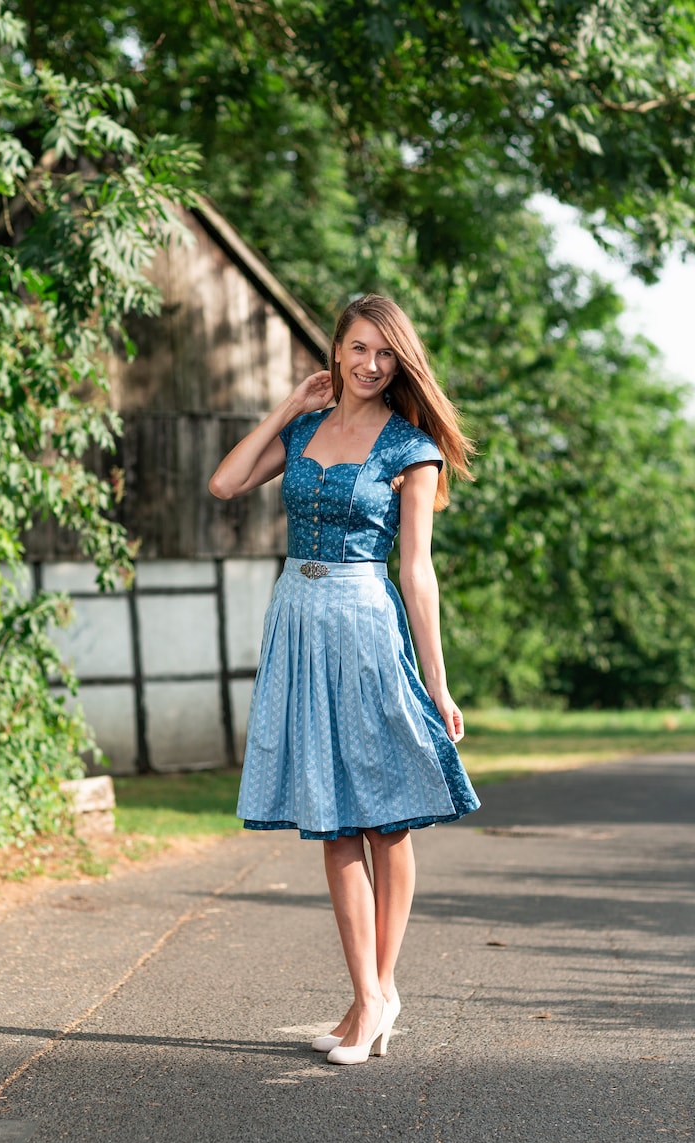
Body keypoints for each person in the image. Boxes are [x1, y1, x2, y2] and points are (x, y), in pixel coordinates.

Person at [209, 293, 480, 1065]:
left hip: (364, 622)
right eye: (358, 348)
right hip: (298, 617)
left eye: (385, 354)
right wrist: (287, 404)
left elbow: (417, 572)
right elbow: (226, 484)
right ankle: (368, 996)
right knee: (330, 819)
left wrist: (439, 681)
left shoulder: (411, 448)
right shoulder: (301, 430)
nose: (369, 365)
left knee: (385, 818)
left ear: (401, 363)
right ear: (336, 350)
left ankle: (377, 994)